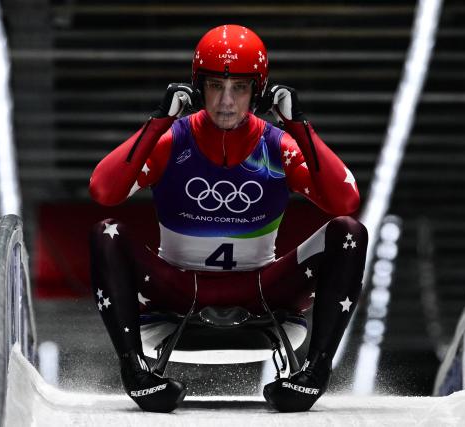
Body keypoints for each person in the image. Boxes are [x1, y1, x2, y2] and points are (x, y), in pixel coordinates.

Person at [88, 24, 367, 413]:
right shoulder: (171, 141)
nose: (226, 101)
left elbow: (345, 202)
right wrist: (157, 123)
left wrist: (299, 127)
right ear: (197, 87)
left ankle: (315, 373)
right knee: (107, 233)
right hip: (176, 290)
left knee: (348, 233)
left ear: (259, 91)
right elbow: (103, 191)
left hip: (262, 292)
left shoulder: (278, 146)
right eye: (216, 86)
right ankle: (135, 372)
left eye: (239, 87)